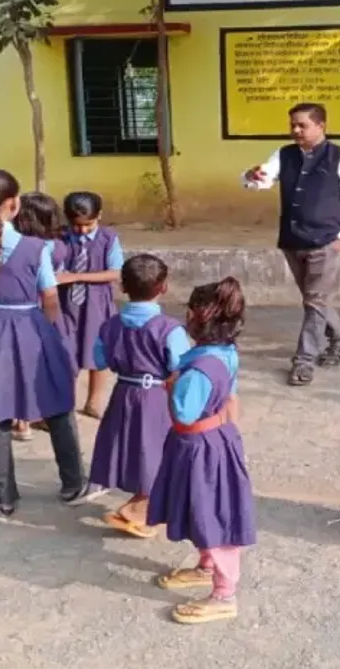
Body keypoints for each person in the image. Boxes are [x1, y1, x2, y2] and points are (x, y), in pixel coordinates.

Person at [0, 169, 93, 522]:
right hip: (29, 325)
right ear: (13, 204)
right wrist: (48, 329)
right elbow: (49, 297)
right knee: (55, 402)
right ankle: (73, 484)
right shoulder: (34, 247)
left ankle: (5, 497)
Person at [147, 277, 256, 625]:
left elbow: (184, 411)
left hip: (200, 446)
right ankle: (207, 565)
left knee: (213, 515)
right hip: (214, 440)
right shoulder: (224, 354)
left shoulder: (197, 371)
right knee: (200, 509)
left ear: (195, 317)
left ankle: (224, 594)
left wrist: (171, 384)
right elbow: (232, 397)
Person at [241, 102, 340, 387]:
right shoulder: (284, 155)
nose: (296, 130)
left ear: (321, 126)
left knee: (315, 301)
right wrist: (251, 176)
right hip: (292, 239)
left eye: (302, 125)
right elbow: (262, 178)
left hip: (326, 241)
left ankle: (304, 361)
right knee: (314, 299)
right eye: (293, 125)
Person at [91, 254, 190, 537]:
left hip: (123, 391)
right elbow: (180, 367)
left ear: (123, 287)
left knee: (131, 445)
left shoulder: (110, 325)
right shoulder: (169, 329)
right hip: (157, 394)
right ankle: (141, 510)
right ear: (164, 287)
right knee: (155, 449)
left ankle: (140, 502)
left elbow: (99, 360)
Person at [11, 191, 72, 442]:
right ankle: (42, 413)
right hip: (48, 311)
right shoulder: (57, 247)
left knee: (20, 365)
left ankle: (21, 420)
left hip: (22, 309)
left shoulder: (18, 245)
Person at [61, 191, 123, 418]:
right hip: (66, 305)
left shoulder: (108, 238)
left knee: (97, 353)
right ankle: (65, 401)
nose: (83, 230)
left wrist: (76, 277)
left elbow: (115, 272)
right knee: (67, 352)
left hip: (96, 303)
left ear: (99, 216)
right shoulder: (61, 238)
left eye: (89, 224)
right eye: (77, 225)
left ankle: (94, 401)